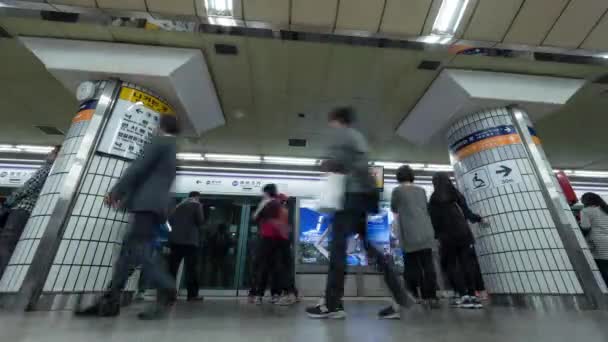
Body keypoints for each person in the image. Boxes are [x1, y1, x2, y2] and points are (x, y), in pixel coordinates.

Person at [306, 107, 408, 319]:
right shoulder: (357, 137)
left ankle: (332, 304)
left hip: (351, 197)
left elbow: (338, 164)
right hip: (364, 198)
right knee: (370, 248)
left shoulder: (343, 135)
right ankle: (399, 295)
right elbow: (360, 166)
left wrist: (324, 164)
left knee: (337, 249)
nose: (330, 126)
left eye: (331, 121)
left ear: (337, 120)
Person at [76, 115, 179, 320]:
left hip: (146, 206)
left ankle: (166, 287)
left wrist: (116, 192)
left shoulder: (160, 141)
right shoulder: (172, 149)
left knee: (140, 248)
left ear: (160, 126)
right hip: (153, 206)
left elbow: (138, 168)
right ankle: (109, 302)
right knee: (125, 257)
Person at [0, 146, 60, 275]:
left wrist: (9, 200)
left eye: (53, 152)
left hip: (22, 209)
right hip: (30, 212)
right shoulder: (56, 173)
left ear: (58, 155)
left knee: (6, 243)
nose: (49, 153)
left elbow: (28, 188)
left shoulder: (47, 169)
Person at [429, 172, 484, 309]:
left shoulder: (433, 199)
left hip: (446, 236)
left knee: (453, 266)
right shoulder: (456, 194)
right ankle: (473, 296)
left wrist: (436, 237)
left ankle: (463, 295)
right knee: (467, 264)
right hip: (463, 233)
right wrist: (480, 218)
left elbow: (434, 221)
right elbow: (467, 212)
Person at [390, 165, 438, 311]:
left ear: (398, 177)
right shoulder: (421, 190)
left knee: (412, 266)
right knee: (428, 264)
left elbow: (393, 208)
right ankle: (430, 297)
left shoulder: (397, 191)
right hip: (426, 231)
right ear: (412, 176)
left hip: (409, 232)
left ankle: (413, 295)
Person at [250, 184, 288, 305]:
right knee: (275, 267)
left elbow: (255, 217)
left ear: (266, 192)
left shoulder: (268, 204)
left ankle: (259, 294)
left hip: (267, 238)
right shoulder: (279, 204)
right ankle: (275, 294)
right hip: (279, 239)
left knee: (263, 267)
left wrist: (261, 206)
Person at [168, 191, 205, 302]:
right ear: (197, 197)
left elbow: (170, 220)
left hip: (175, 241)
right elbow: (200, 221)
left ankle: (169, 295)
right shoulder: (197, 205)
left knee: (172, 269)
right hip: (190, 241)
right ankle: (192, 295)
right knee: (191, 269)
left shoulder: (178, 206)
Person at [580, 192, 608, 285]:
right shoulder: (605, 209)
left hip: (598, 244)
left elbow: (586, 227)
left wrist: (579, 234)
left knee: (602, 270)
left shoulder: (586, 211)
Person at [208, 223, 232, 288]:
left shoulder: (227, 236)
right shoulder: (214, 236)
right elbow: (211, 247)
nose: (223, 231)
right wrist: (211, 257)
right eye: (223, 229)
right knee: (214, 273)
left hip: (224, 257)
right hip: (215, 257)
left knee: (225, 274)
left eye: (224, 229)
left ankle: (226, 287)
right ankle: (212, 286)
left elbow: (231, 244)